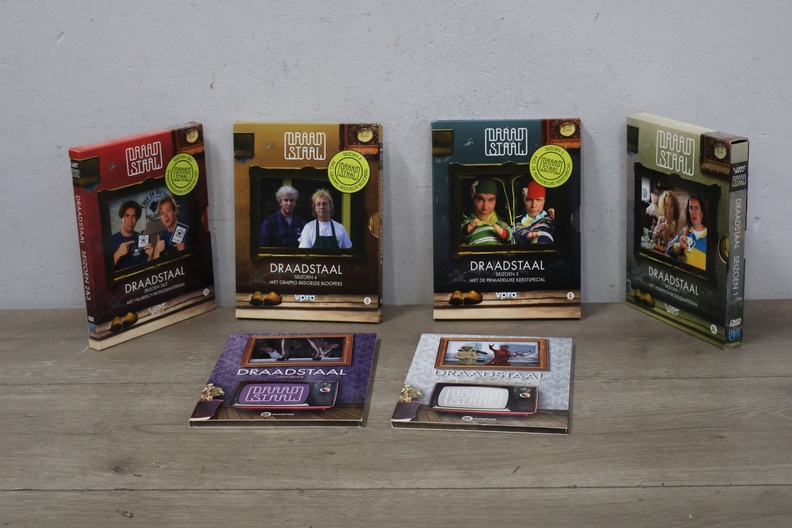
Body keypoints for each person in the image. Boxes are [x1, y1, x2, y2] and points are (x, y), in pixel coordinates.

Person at [460, 177, 513, 245]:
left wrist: (502, 232)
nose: (485, 207)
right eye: (480, 200)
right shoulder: (469, 220)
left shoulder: (498, 221)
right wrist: (469, 227)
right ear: (473, 200)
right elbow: (461, 234)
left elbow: (510, 235)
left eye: (491, 201)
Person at [666, 194, 708, 270]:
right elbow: (668, 249)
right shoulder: (685, 232)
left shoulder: (711, 237)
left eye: (696, 208)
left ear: (702, 212)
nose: (693, 212)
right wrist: (679, 245)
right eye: (691, 208)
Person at [111, 200, 152, 270]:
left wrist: (150, 257)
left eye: (134, 216)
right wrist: (118, 254)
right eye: (127, 216)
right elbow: (105, 271)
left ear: (137, 219)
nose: (131, 220)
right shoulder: (111, 240)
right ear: (122, 218)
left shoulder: (142, 238)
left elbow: (147, 268)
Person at [153, 195, 187, 259]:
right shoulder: (162, 237)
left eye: (168, 210)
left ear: (175, 211)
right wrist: (157, 250)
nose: (165, 216)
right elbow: (156, 261)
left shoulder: (187, 226)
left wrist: (187, 248)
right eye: (162, 213)